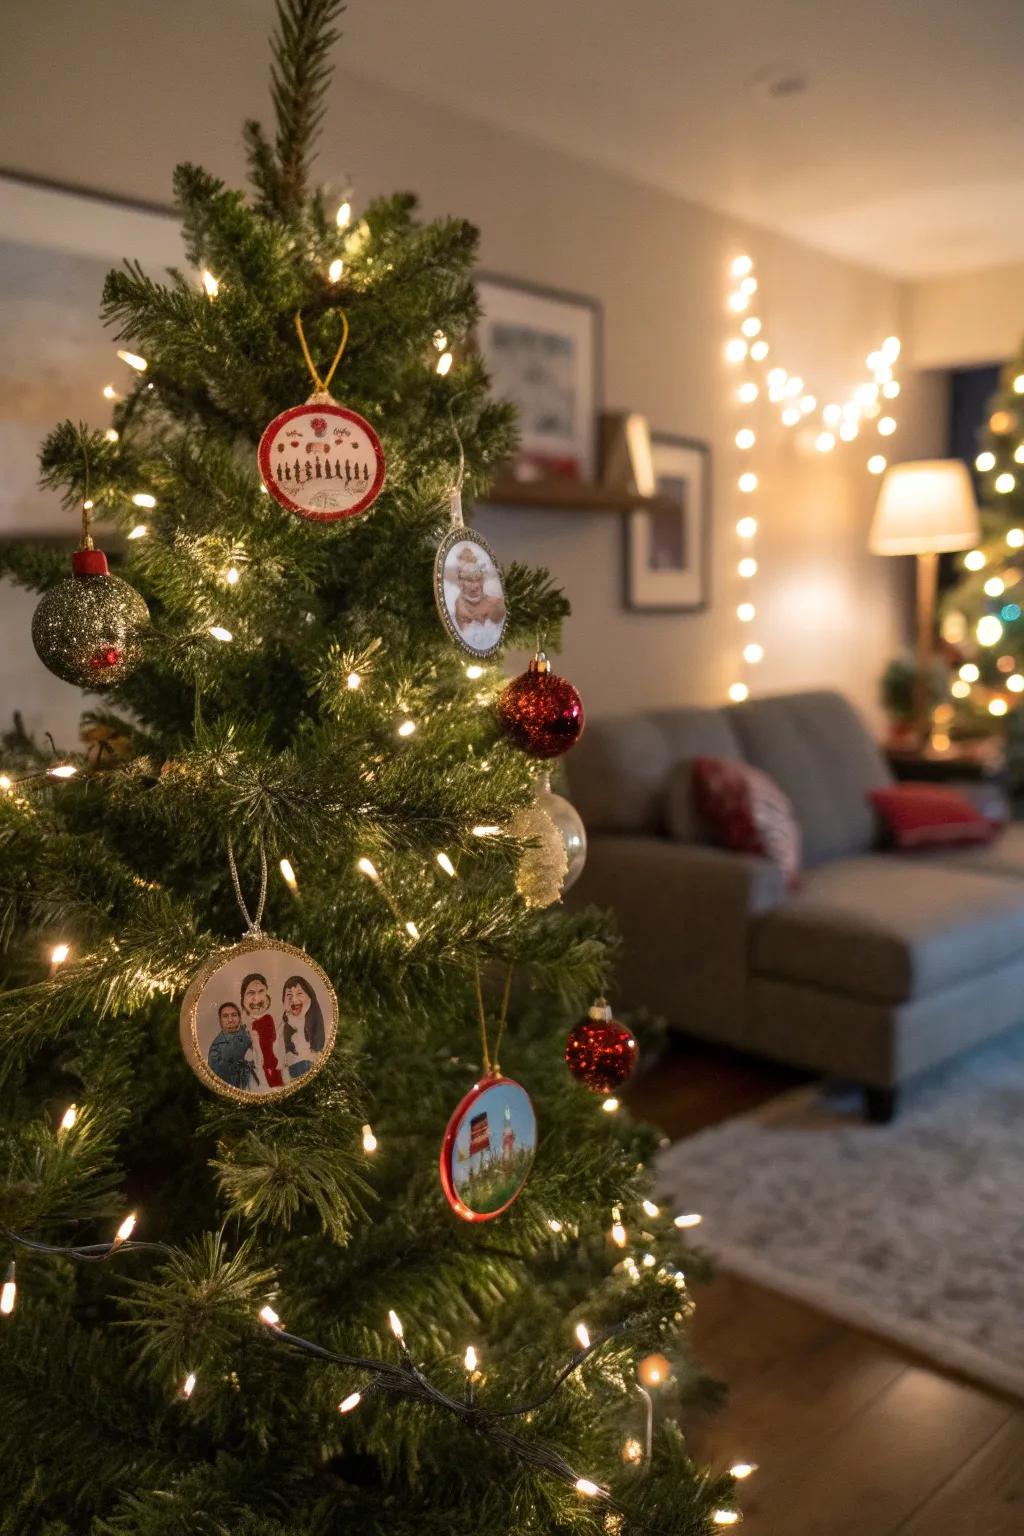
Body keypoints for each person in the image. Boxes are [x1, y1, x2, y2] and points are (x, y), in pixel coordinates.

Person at [446, 543, 505, 640]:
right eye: (469, 580)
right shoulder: (458, 604)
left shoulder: (492, 601)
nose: (475, 586)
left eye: (478, 580)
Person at [241, 972, 283, 1089]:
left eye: (261, 991)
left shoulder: (269, 1019)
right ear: (243, 998)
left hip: (269, 1067)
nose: (256, 998)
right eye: (251, 993)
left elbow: (271, 1045)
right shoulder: (243, 1024)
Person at [280, 975, 325, 1080]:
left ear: (310, 997)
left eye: (299, 993)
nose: (294, 999)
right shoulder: (285, 1025)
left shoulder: (312, 1021)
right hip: (291, 1072)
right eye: (289, 995)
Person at [206, 1001, 258, 1092]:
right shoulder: (216, 1047)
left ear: (239, 1018)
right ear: (220, 1020)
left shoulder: (249, 1034)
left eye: (234, 1015)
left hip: (254, 1084)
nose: (230, 1020)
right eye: (225, 1016)